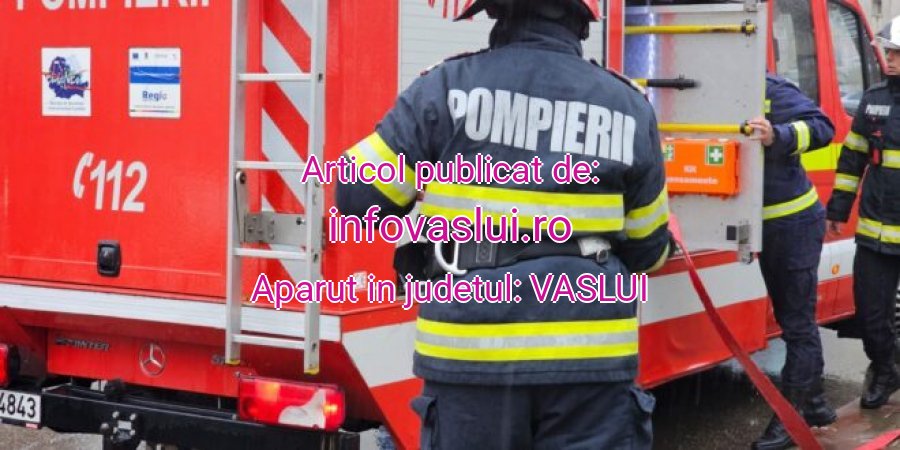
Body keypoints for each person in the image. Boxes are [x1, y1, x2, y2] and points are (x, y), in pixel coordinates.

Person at [335, 0, 672, 448]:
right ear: (583, 21)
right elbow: (650, 251)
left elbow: (358, 197)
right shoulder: (628, 105)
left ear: (496, 13)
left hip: (470, 354)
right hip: (591, 358)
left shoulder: (444, 87)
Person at [744, 74, 836, 450]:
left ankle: (790, 420)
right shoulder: (717, 89)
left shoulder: (771, 89)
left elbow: (822, 127)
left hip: (793, 223)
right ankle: (814, 404)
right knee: (793, 320)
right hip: (769, 225)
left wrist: (777, 135)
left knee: (797, 325)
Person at [826, 15, 900, 410]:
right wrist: (838, 209)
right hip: (875, 233)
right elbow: (853, 156)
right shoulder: (873, 100)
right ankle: (885, 370)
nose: (890, 59)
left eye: (897, 53)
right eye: (889, 52)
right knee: (871, 314)